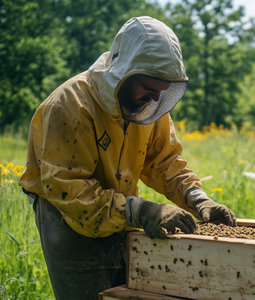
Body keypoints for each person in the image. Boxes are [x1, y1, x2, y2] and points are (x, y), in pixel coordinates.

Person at [19, 16, 236, 299]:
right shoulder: (70, 104)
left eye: (162, 91)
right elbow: (68, 187)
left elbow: (165, 162)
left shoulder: (146, 106)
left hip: (122, 214)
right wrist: (141, 210)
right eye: (148, 87)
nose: (155, 99)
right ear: (125, 73)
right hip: (68, 221)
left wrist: (199, 198)